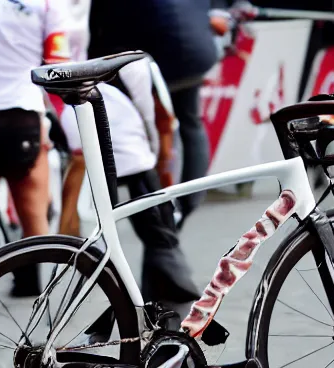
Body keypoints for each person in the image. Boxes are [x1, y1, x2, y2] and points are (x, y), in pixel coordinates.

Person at [59, 0, 200, 312]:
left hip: (82, 153)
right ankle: (165, 291)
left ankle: (84, 287)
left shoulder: (73, 61)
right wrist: (162, 160)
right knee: (158, 229)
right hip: (132, 155)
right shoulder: (137, 62)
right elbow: (159, 121)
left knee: (95, 231)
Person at [88, 0, 230, 229]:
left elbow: (101, 23)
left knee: (147, 132)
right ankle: (183, 207)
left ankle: (158, 215)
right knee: (190, 124)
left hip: (153, 56)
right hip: (194, 53)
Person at [0, 0, 71, 296]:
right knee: (34, 218)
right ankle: (27, 283)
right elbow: (59, 68)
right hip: (22, 117)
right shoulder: (46, 4)